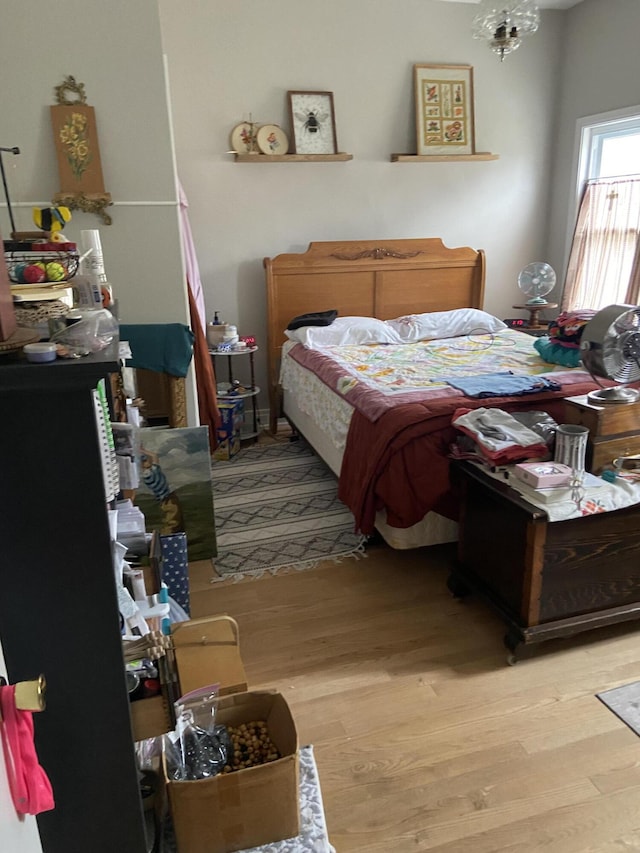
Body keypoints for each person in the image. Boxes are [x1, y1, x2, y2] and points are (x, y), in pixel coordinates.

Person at [139, 446, 185, 535]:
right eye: (145, 460)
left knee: (174, 519)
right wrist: (143, 450)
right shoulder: (151, 473)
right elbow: (154, 456)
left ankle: (174, 536)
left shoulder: (149, 473)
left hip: (166, 499)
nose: (149, 460)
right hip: (167, 499)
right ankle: (169, 537)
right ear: (142, 464)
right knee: (173, 521)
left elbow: (154, 457)